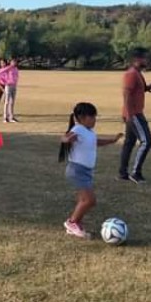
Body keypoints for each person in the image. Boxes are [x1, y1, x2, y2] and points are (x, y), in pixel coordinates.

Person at [59, 102, 123, 239]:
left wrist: (111, 140)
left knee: (84, 199)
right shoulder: (78, 129)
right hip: (77, 170)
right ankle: (72, 222)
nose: (94, 120)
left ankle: (75, 223)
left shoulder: (89, 132)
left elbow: (95, 142)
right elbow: (67, 137)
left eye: (95, 117)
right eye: (92, 117)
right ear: (81, 117)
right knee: (90, 200)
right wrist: (65, 139)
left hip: (85, 171)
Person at [119, 47, 151, 184]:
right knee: (147, 141)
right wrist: (129, 115)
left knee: (129, 143)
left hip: (135, 112)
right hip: (134, 114)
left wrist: (148, 88)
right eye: (145, 58)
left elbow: (136, 90)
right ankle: (136, 173)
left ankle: (122, 173)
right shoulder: (131, 74)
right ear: (137, 59)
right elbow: (126, 94)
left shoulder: (138, 74)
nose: (147, 60)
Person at [0, 57, 20, 123]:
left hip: (14, 86)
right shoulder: (8, 68)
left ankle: (11, 117)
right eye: (13, 62)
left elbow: (16, 77)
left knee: (12, 102)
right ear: (10, 62)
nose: (14, 63)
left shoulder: (16, 69)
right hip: (8, 86)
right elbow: (0, 72)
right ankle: (5, 117)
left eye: (15, 62)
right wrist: (4, 82)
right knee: (7, 102)